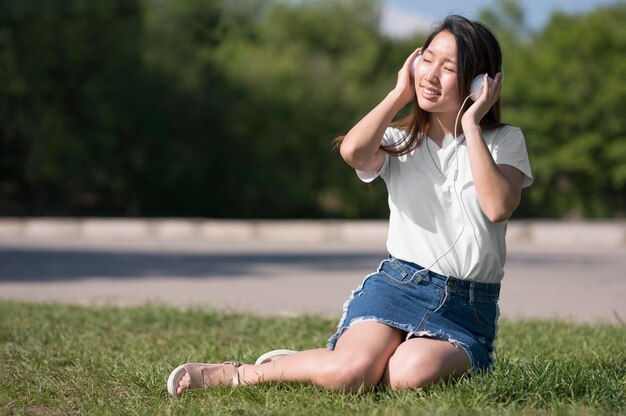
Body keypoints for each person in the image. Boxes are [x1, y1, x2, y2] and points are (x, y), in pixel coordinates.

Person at [167, 14, 533, 396]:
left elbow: (497, 207)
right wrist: (398, 95)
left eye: (450, 67)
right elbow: (353, 152)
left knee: (408, 376)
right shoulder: (400, 139)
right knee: (349, 374)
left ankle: (324, 363)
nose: (431, 74)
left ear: (480, 81)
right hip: (400, 285)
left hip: (467, 307)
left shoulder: (503, 141)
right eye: (427, 58)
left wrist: (472, 122)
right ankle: (239, 374)